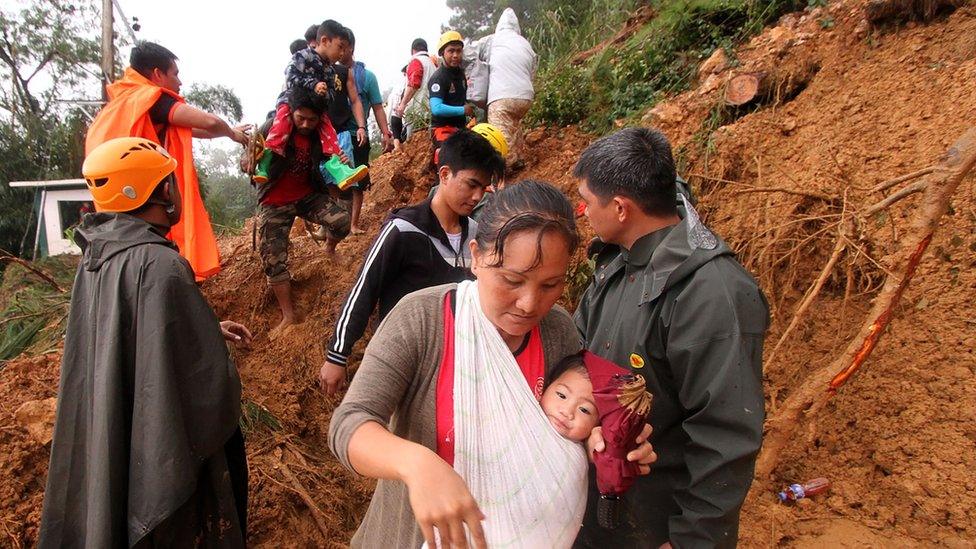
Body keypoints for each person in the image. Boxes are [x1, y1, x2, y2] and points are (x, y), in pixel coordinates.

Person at [328, 180, 657, 548]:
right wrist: (417, 465)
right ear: (476, 256)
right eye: (512, 280)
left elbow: (556, 427)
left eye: (551, 285)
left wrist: (600, 441)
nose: (530, 304)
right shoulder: (422, 320)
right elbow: (349, 425)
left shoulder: (557, 330)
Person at [39, 137, 250, 547]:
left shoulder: (98, 254)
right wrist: (204, 344)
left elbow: (129, 331)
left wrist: (205, 326)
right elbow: (203, 389)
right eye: (169, 181)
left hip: (110, 416)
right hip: (156, 441)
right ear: (157, 191)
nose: (175, 189)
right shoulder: (160, 263)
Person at [572, 127, 770, 548]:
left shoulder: (711, 293)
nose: (583, 212)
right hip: (602, 507)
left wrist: (691, 540)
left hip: (658, 521)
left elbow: (726, 435)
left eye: (587, 202)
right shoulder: (616, 267)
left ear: (622, 208)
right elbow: (578, 361)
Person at [320, 129, 504, 394]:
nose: (477, 196)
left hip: (453, 365)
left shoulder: (476, 236)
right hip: (400, 361)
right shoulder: (403, 230)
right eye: (471, 184)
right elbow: (365, 289)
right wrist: (337, 355)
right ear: (444, 174)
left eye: (483, 188)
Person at [85, 41, 247, 281]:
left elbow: (192, 128)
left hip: (112, 203)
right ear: (158, 74)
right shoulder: (151, 99)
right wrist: (232, 135)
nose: (179, 82)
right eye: (175, 74)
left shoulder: (122, 104)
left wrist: (229, 130)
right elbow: (209, 123)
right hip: (141, 197)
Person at [256, 86, 352, 332]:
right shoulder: (271, 128)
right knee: (274, 258)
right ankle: (288, 315)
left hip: (307, 195)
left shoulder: (320, 134)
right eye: (301, 118)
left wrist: (341, 161)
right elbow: (249, 160)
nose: (307, 124)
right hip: (275, 201)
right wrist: (248, 162)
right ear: (291, 113)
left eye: (312, 119)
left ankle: (329, 249)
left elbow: (331, 159)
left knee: (342, 220)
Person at [255, 20, 366, 189]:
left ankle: (338, 169)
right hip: (292, 104)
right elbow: (291, 77)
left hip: (317, 110)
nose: (342, 53)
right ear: (324, 41)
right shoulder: (303, 56)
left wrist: (323, 94)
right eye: (340, 46)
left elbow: (331, 94)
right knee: (279, 129)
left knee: (329, 132)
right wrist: (313, 84)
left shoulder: (330, 70)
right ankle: (264, 163)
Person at [338, 28, 393, 234]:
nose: (340, 51)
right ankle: (336, 225)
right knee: (335, 180)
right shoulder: (330, 74)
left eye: (343, 46)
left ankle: (353, 224)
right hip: (336, 137)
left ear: (351, 48)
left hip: (358, 136)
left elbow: (378, 107)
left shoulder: (367, 77)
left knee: (358, 181)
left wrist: (386, 133)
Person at [486, 8, 538, 169]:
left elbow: (469, 53)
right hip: (525, 96)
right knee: (514, 124)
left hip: (501, 95)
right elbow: (533, 69)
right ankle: (519, 159)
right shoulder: (525, 43)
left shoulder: (493, 40)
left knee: (500, 132)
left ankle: (505, 167)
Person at [428, 30, 474, 165]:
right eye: (451, 51)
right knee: (447, 161)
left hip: (461, 128)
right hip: (442, 128)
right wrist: (463, 110)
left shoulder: (461, 74)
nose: (455, 55)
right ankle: (439, 185)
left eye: (459, 51)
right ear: (442, 53)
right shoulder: (438, 78)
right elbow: (436, 108)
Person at [393, 38, 439, 140]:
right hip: (433, 114)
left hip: (419, 115)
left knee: (416, 148)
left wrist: (402, 105)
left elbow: (413, 84)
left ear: (413, 50)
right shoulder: (433, 65)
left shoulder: (416, 61)